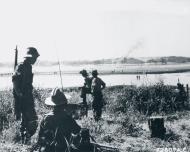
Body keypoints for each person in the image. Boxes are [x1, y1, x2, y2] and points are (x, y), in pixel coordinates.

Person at [37, 88, 81, 152]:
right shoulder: (67, 118)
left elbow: (40, 137)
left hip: (47, 149)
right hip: (63, 149)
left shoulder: (45, 117)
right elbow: (77, 131)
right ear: (64, 104)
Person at [12, 47, 40, 144]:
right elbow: (15, 81)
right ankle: (25, 139)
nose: (36, 60)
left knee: (27, 121)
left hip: (27, 97)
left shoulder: (28, 66)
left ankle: (25, 141)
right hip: (23, 99)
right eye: (35, 58)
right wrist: (20, 94)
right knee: (32, 120)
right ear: (30, 57)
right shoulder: (21, 66)